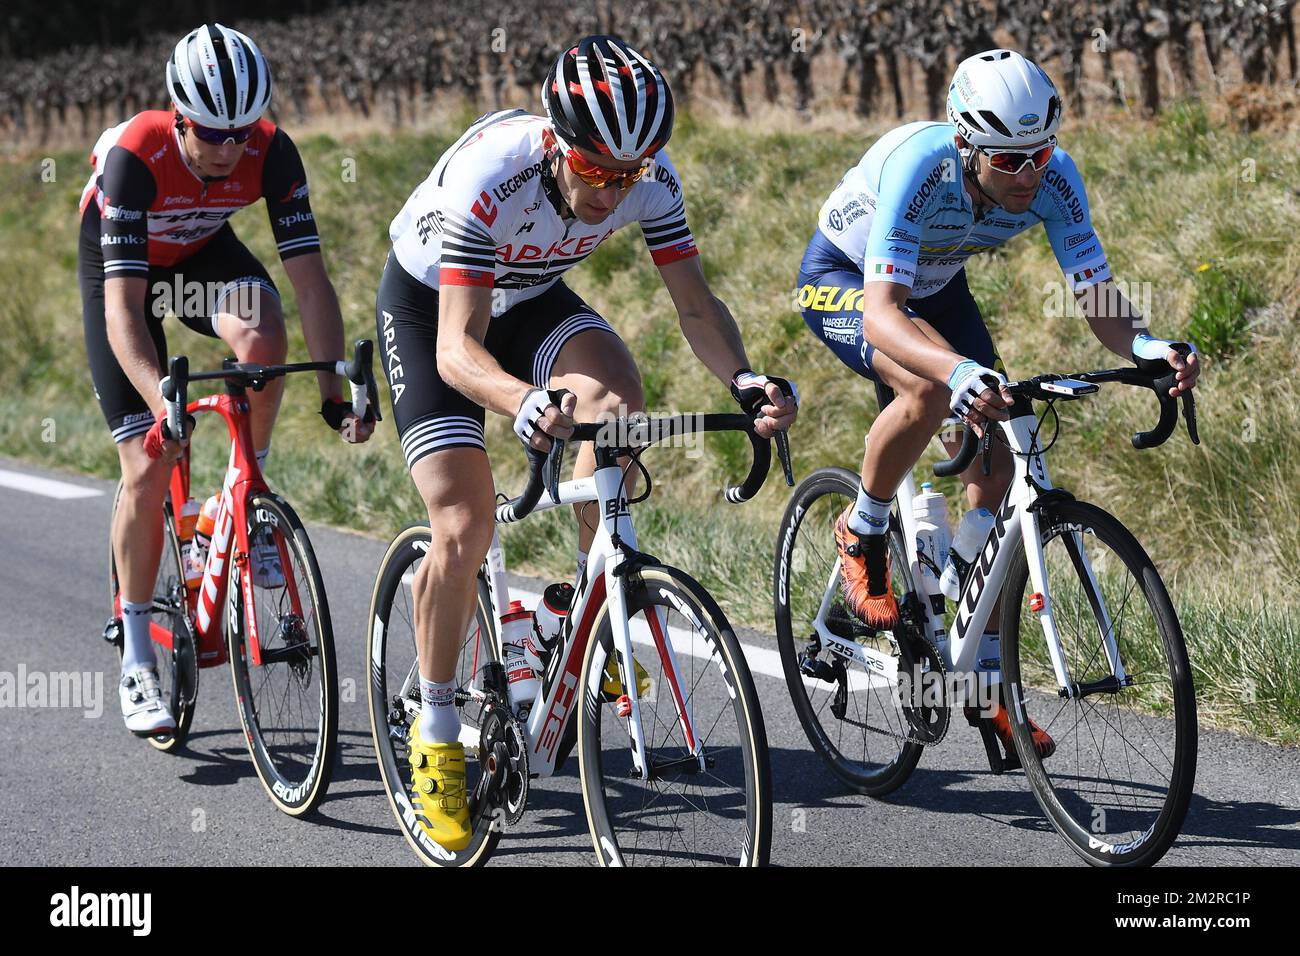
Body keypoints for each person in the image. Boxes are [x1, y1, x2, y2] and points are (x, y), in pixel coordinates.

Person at [377, 35, 798, 850]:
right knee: (464, 522)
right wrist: (523, 401)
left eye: (630, 175)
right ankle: (433, 729)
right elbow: (459, 352)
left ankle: (578, 610)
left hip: (529, 293)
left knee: (616, 403)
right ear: (557, 146)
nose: (614, 191)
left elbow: (696, 307)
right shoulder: (490, 182)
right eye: (598, 172)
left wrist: (745, 382)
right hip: (434, 308)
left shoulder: (647, 175)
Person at [797, 49, 1199, 760]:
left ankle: (972, 658)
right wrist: (955, 373)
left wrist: (1146, 347)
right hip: (850, 279)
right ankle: (862, 530)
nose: (1029, 175)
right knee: (925, 389)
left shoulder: (1055, 178)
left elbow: (1095, 292)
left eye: (1038, 154)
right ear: (964, 144)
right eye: (1007, 161)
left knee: (1006, 436)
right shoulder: (923, 166)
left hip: (937, 281)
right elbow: (886, 316)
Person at [79, 23, 373, 737]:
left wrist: (336, 392)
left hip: (205, 255)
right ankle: (139, 646)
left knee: (264, 337)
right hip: (126, 275)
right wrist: (161, 402)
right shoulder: (134, 157)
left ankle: (250, 494)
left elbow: (310, 282)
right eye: (212, 133)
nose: (228, 148)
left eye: (241, 132)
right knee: (150, 459)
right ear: (180, 119)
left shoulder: (270, 152)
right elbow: (124, 314)